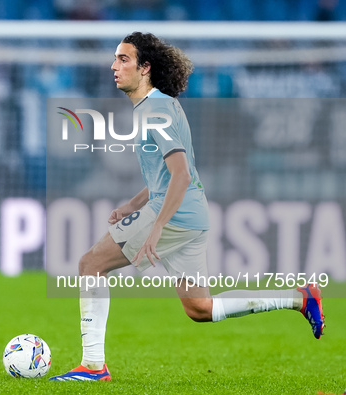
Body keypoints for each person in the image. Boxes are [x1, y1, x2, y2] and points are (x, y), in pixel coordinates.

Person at [49, 32, 325, 382]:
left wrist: (159, 224)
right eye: (115, 58)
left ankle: (92, 366)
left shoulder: (156, 109)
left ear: (145, 68)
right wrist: (132, 204)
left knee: (91, 263)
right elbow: (169, 174)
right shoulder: (158, 105)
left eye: (123, 59)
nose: (113, 66)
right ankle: (299, 299)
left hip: (175, 214)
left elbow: (179, 175)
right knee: (200, 308)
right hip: (193, 215)